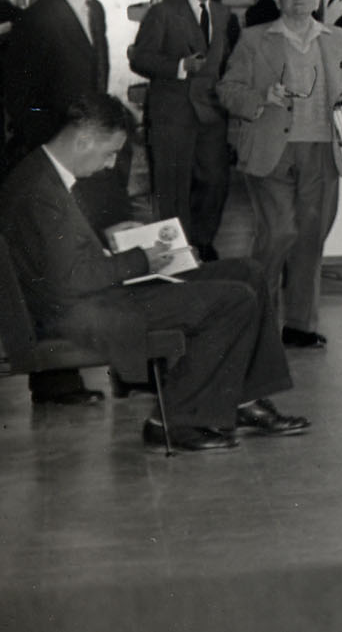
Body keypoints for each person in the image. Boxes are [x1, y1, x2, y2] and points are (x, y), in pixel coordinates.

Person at [0, 95, 311, 452]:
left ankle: (245, 400)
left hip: (92, 298)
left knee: (248, 273)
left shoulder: (42, 175)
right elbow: (71, 281)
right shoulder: (39, 192)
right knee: (233, 300)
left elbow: (61, 258)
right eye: (109, 153)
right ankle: (173, 419)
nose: (110, 164)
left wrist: (114, 243)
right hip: (81, 313)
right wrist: (142, 259)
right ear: (83, 140)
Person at [217, 0, 342, 350]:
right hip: (270, 151)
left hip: (323, 150)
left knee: (310, 237)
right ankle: (257, 317)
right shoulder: (254, 39)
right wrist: (260, 97)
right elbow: (228, 90)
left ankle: (300, 325)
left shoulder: (337, 39)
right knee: (279, 233)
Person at [3, 0, 127, 408]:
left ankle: (112, 363)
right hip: (53, 161)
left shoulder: (94, 11)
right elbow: (21, 101)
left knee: (88, 261)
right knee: (55, 269)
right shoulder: (37, 19)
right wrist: (61, 152)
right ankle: (55, 381)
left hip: (83, 161)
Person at [127, 0, 239, 256]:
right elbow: (140, 58)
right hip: (172, 112)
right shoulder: (162, 13)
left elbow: (228, 61)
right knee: (172, 184)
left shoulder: (223, 14)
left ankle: (202, 241)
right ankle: (177, 250)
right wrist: (179, 66)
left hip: (211, 113)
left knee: (216, 181)